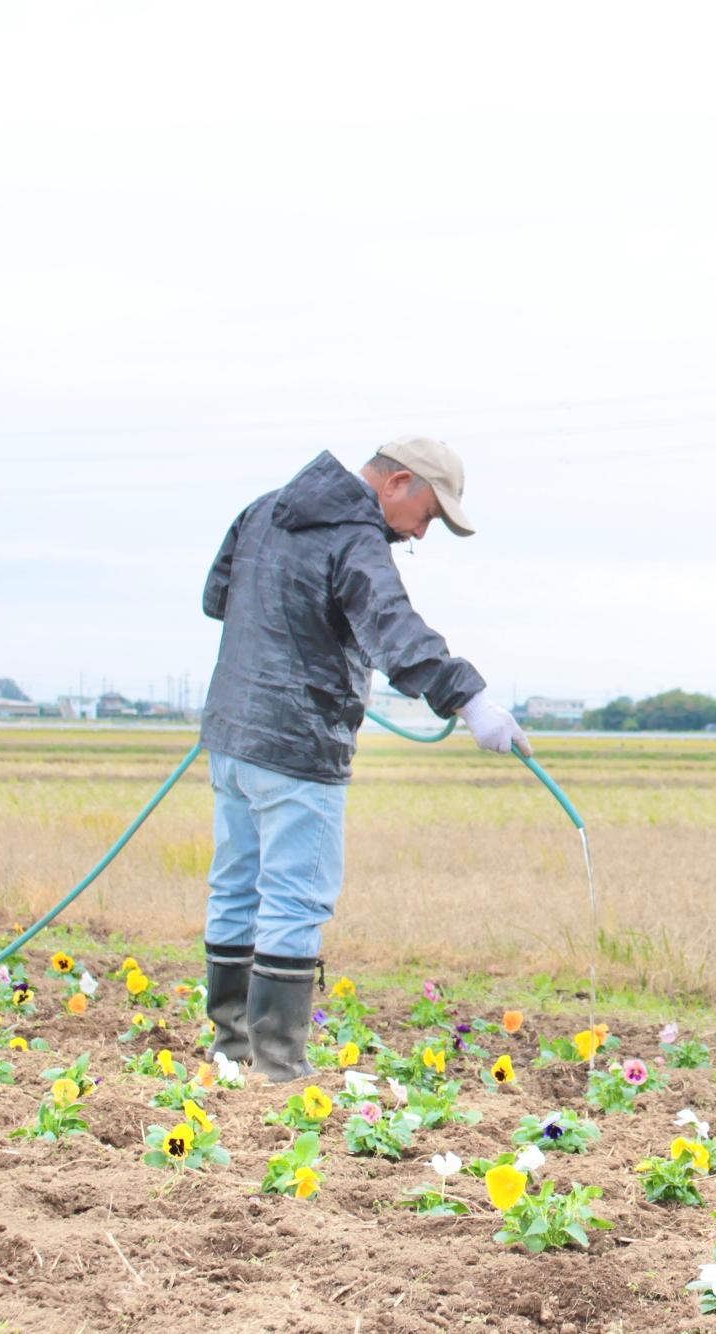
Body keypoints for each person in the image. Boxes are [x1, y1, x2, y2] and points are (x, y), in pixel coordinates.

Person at [196, 438, 530, 1081]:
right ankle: (276, 1064)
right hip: (299, 744)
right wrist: (471, 699)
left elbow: (218, 599)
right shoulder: (354, 536)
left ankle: (232, 1052)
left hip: (232, 739)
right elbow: (394, 630)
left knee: (235, 889)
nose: (422, 534)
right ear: (397, 483)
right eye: (427, 515)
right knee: (295, 900)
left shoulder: (263, 510)